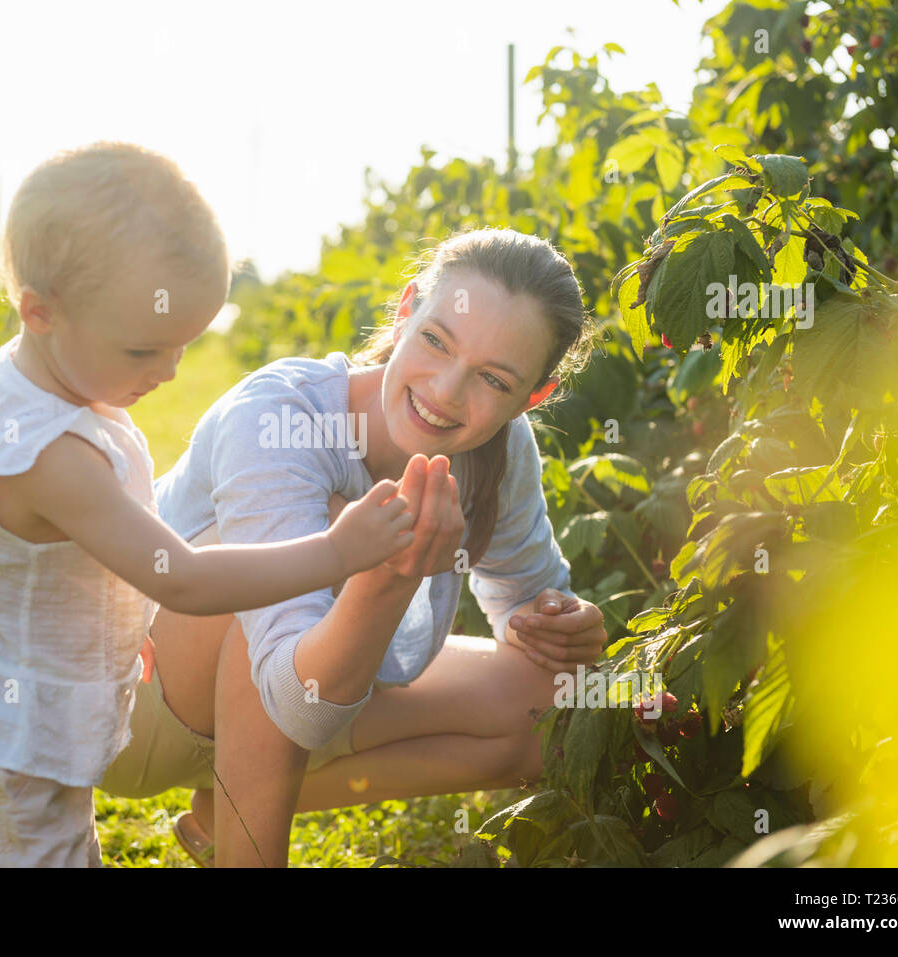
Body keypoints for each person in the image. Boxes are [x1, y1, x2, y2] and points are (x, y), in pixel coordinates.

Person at [0, 142, 417, 867]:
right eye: (143, 351)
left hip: (14, 723)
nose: (169, 370)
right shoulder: (50, 454)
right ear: (41, 311)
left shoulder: (46, 372)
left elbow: (78, 559)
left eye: (186, 344)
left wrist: (120, 622)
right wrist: (337, 552)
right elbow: (180, 576)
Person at [98, 227, 609, 867]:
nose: (446, 392)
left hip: (305, 690)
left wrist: (561, 623)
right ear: (404, 312)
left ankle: (220, 819)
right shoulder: (282, 416)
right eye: (435, 340)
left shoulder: (500, 452)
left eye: (494, 381)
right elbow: (295, 705)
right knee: (317, 540)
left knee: (563, 704)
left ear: (533, 396)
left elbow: (526, 602)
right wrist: (385, 574)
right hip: (132, 704)